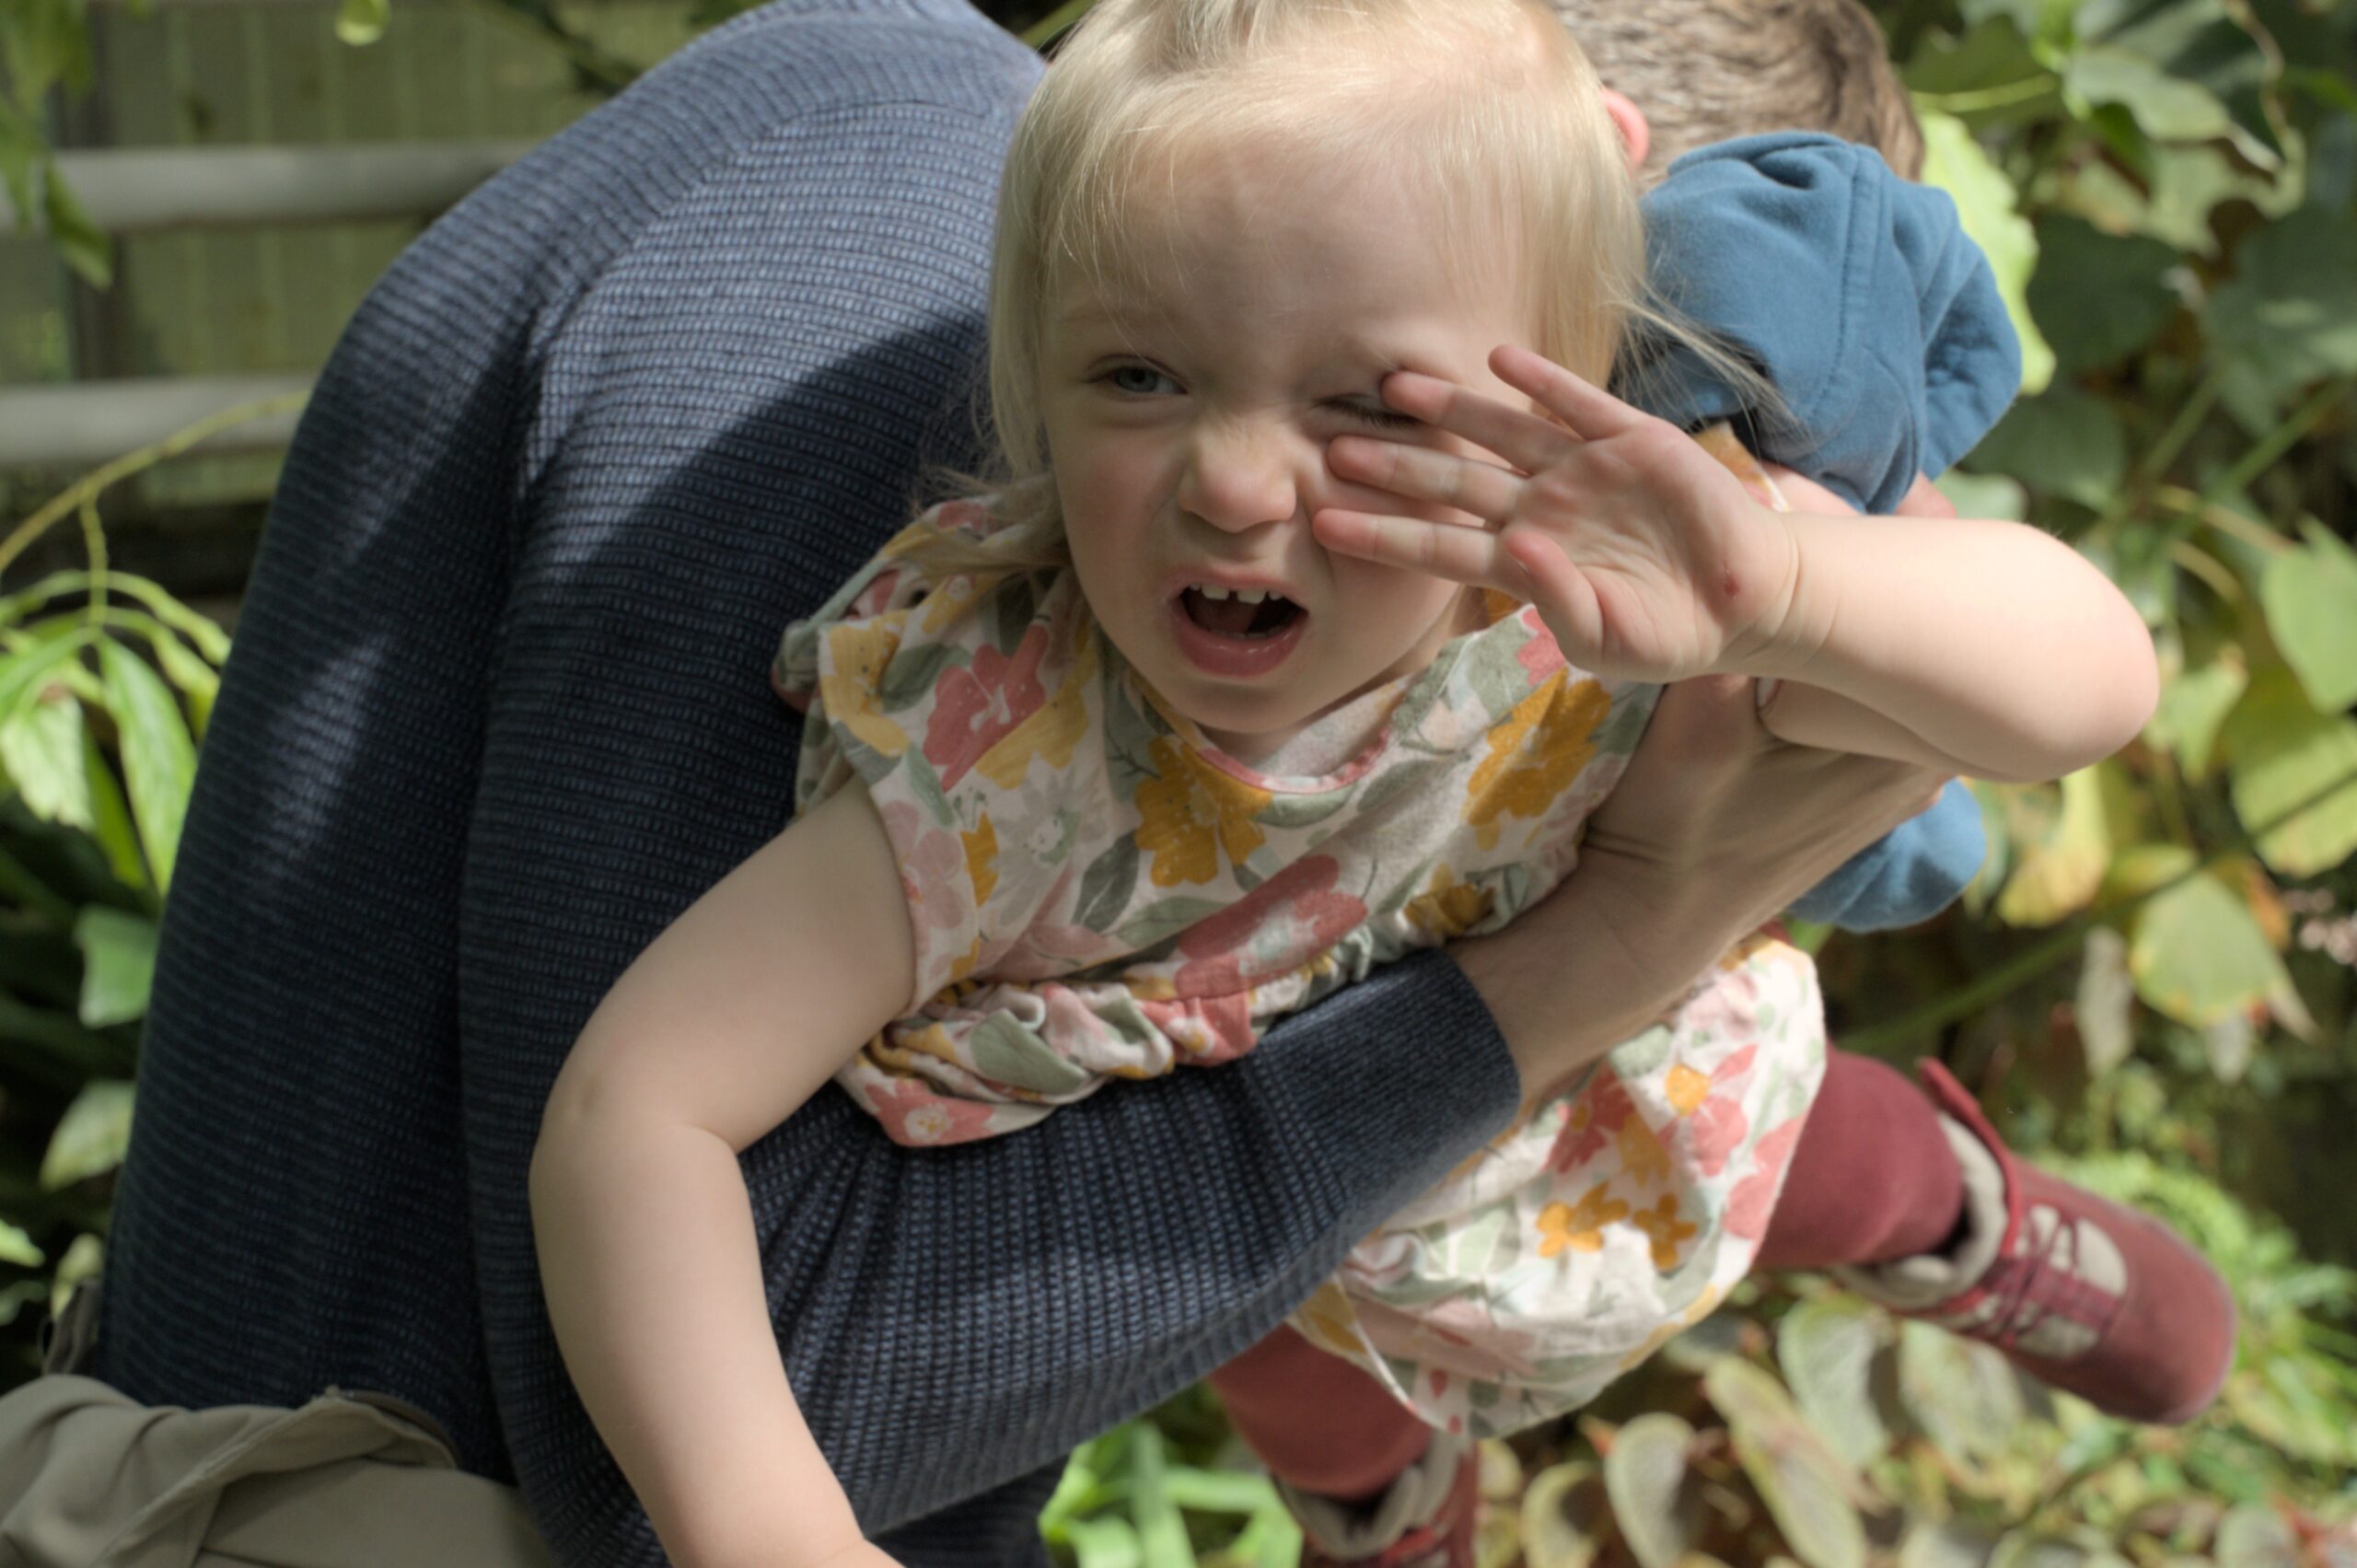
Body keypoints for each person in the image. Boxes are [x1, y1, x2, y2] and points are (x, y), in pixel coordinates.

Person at [13, 4, 1956, 1565]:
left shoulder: (1028, 303)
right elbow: (693, 1443)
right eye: (1686, 423)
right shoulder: (888, 282)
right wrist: (1612, 943)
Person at [526, 4, 2228, 1567]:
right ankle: (1386, 1514)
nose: (1229, 476)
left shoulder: (1608, 573)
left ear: (1572, 363)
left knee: (1819, 1154)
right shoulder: (1006, 766)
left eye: (1367, 401)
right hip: (1303, 1237)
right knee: (1283, 1353)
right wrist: (766, 1525)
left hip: (1624, 1092)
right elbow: (640, 1112)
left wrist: (1784, 589)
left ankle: (1957, 1220)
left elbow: (2090, 682)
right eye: (1137, 376)